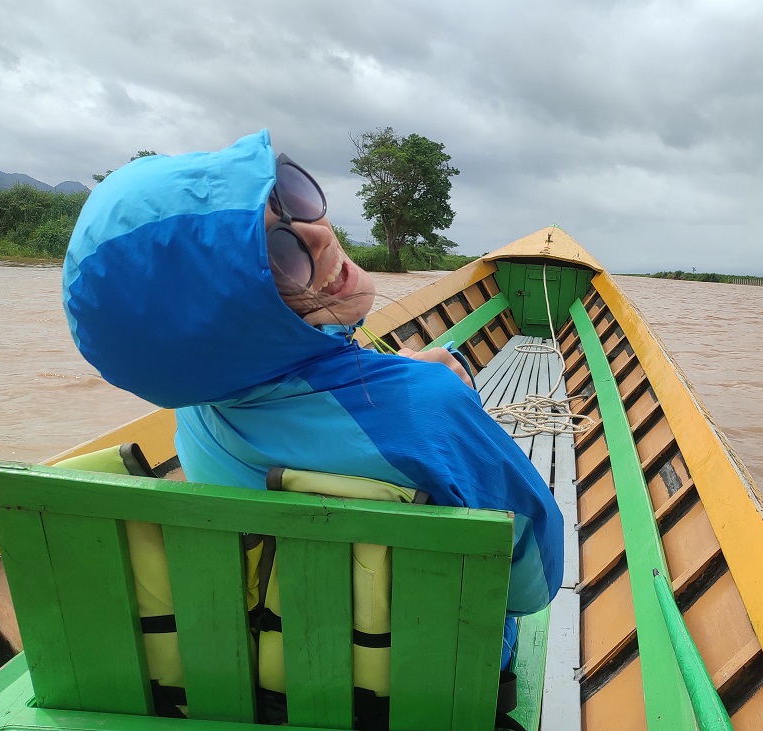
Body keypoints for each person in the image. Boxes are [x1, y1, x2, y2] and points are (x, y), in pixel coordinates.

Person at [62, 131, 563, 681]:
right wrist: (444, 396)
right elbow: (533, 582)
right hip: (430, 682)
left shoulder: (197, 404)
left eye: (291, 198)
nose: (321, 233)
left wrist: (402, 382)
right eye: (279, 253)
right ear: (232, 322)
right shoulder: (431, 408)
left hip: (271, 675)